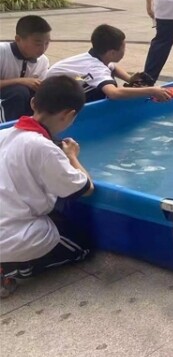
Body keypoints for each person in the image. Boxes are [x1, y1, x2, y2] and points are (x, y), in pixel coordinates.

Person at [0, 75, 95, 298]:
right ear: (69, 115)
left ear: (33, 103)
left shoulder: (4, 134)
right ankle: (13, 269)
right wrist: (72, 156)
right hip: (13, 236)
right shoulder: (43, 148)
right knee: (82, 247)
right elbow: (86, 188)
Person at [46, 24, 173, 103]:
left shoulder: (94, 58)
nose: (124, 51)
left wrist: (130, 79)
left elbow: (114, 68)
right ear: (112, 53)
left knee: (98, 79)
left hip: (65, 84)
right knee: (103, 90)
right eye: (123, 48)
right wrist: (151, 91)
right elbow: (114, 93)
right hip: (52, 99)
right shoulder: (95, 68)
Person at [0, 16, 51, 123]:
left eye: (47, 43)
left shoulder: (43, 61)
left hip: (19, 103)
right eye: (37, 44)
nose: (43, 49)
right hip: (7, 100)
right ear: (18, 39)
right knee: (19, 91)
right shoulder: (2, 52)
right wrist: (21, 81)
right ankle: (7, 127)